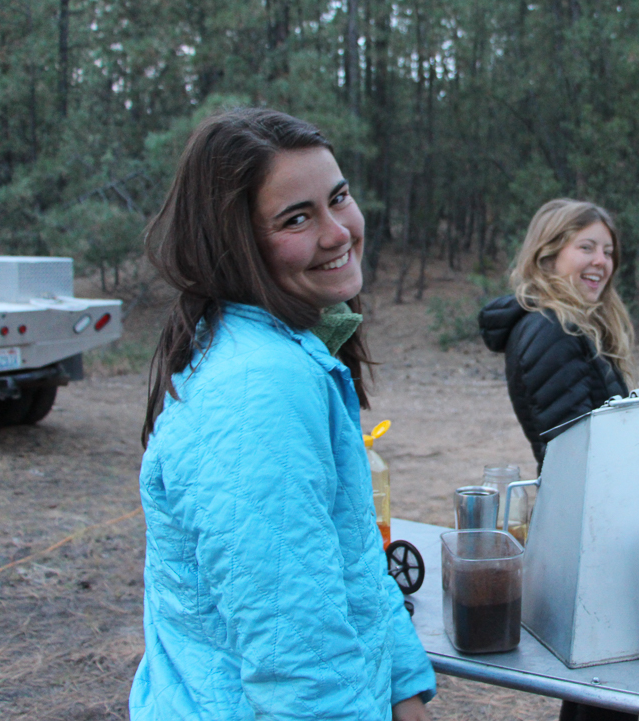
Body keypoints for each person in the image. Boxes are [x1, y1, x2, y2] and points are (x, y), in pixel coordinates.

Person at [131, 108, 435, 721]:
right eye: (296, 218)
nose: (338, 231)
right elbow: (295, 655)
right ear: (234, 243)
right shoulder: (258, 386)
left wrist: (407, 698)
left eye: (338, 198)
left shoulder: (285, 348)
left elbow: (355, 570)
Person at [478, 198, 638, 721]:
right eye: (586, 247)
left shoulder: (575, 325)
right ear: (548, 255)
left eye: (608, 251)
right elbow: (571, 446)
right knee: (603, 685)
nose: (600, 261)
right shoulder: (552, 329)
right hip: (587, 527)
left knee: (603, 686)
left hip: (595, 520)